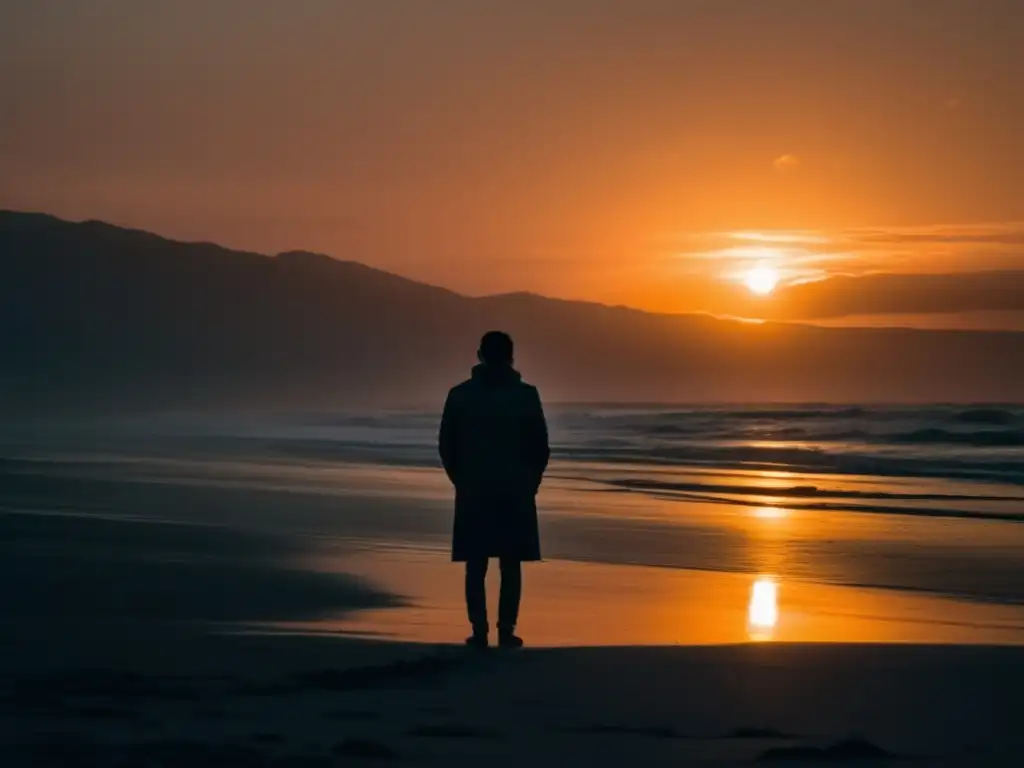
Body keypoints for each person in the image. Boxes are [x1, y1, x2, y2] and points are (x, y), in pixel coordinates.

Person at [438, 331, 550, 649]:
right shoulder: (526, 395)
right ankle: (506, 630)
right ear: (511, 356)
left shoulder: (460, 395)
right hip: (515, 489)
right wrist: (531, 482)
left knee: (476, 563)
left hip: (474, 487)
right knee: (510, 563)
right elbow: (540, 447)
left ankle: (479, 630)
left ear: (479, 355)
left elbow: (446, 445)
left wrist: (460, 478)